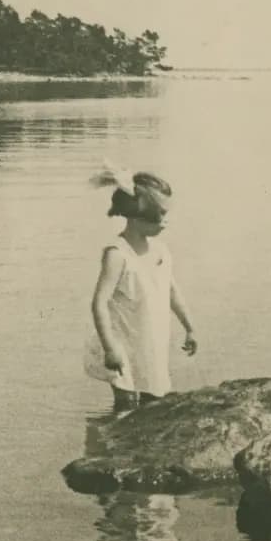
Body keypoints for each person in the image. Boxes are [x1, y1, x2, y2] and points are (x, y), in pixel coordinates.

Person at [85, 164, 198, 412]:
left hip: (151, 340)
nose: (167, 221)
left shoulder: (160, 251)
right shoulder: (117, 254)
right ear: (137, 217)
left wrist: (190, 328)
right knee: (126, 402)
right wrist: (110, 347)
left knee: (154, 398)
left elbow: (172, 292)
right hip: (123, 343)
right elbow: (99, 303)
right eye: (161, 214)